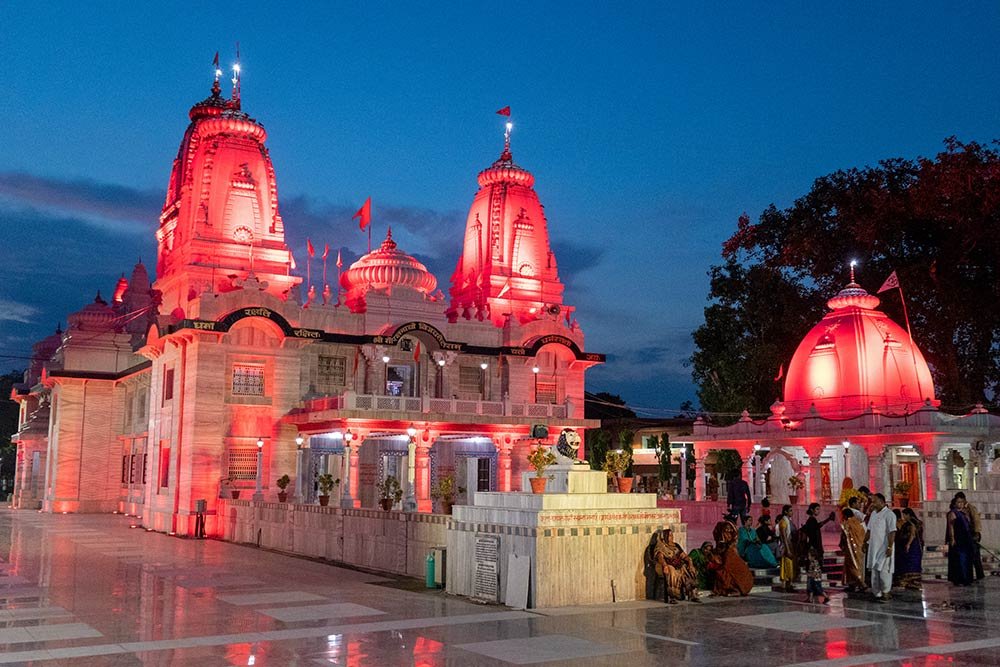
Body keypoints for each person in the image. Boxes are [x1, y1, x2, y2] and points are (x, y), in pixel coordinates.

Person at [651, 529, 700, 604]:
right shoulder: (661, 547)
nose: (672, 537)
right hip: (666, 566)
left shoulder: (676, 545)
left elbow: (684, 556)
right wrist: (665, 565)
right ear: (664, 537)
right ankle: (672, 596)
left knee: (689, 570)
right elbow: (660, 557)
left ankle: (692, 594)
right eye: (670, 536)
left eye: (672, 535)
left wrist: (690, 563)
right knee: (671, 571)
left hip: (678, 565)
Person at [710, 515, 754, 596]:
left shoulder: (728, 529)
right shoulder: (727, 528)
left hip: (729, 552)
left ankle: (736, 589)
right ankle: (734, 589)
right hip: (727, 551)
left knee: (728, 570)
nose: (728, 531)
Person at [864, 493, 896, 602]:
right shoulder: (873, 514)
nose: (872, 503)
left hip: (884, 547)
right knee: (874, 570)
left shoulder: (889, 514)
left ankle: (886, 592)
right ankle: (877, 593)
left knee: (884, 570)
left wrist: (890, 547)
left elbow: (892, 531)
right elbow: (869, 530)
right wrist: (864, 543)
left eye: (874, 501)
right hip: (874, 548)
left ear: (882, 502)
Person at [954, 492, 984, 581]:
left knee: (975, 557)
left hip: (973, 535)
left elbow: (975, 521)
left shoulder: (970, 508)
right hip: (967, 536)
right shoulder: (962, 509)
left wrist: (975, 534)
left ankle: (979, 575)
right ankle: (971, 576)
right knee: (970, 557)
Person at [946, 495, 975, 586]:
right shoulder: (952, 513)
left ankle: (968, 578)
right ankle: (960, 579)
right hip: (958, 539)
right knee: (960, 559)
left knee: (967, 559)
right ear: (955, 504)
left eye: (962, 502)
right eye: (958, 502)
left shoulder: (964, 513)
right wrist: (952, 538)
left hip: (966, 539)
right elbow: (951, 527)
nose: (960, 504)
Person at [894, 507, 923, 590]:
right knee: (914, 563)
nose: (903, 517)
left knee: (909, 563)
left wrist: (908, 544)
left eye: (904, 515)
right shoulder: (918, 522)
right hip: (917, 546)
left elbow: (912, 534)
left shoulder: (911, 523)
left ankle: (907, 581)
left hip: (912, 546)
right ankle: (913, 583)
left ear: (908, 515)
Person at [839, 507, 866, 593]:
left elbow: (844, 536)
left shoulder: (847, 523)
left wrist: (841, 545)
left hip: (851, 548)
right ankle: (852, 585)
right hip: (860, 547)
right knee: (857, 566)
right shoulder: (858, 523)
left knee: (853, 566)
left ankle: (862, 584)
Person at [776, 504, 798, 592]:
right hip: (786, 546)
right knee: (785, 565)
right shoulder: (783, 522)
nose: (792, 512)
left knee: (790, 565)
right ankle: (784, 585)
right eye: (790, 511)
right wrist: (787, 548)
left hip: (790, 544)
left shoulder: (788, 521)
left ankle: (789, 584)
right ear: (785, 512)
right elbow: (784, 537)